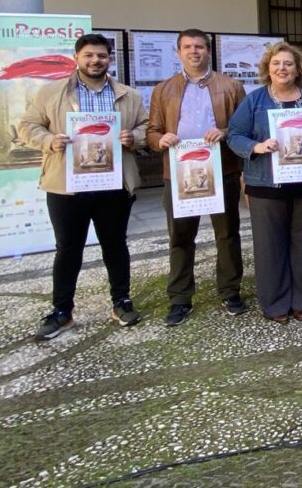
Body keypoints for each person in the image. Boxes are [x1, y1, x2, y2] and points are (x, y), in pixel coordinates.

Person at [19, 33, 148, 340]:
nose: (95, 61)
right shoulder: (52, 93)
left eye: (101, 56)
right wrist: (48, 141)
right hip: (68, 186)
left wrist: (134, 137)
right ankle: (62, 311)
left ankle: (121, 302)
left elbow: (145, 126)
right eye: (89, 55)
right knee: (68, 248)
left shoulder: (128, 95)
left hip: (113, 184)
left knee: (115, 245)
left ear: (110, 59)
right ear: (77, 58)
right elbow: (27, 125)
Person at [148, 28, 247, 326]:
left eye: (200, 47)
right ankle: (180, 298)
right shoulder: (163, 89)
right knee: (180, 237)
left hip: (223, 170)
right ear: (178, 52)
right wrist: (160, 139)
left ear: (208, 51)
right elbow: (150, 132)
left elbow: (244, 127)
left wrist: (226, 131)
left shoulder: (230, 86)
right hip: (179, 174)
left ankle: (230, 292)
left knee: (227, 235)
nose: (194, 52)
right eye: (188, 47)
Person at [227, 42, 302, 323]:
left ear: (298, 70)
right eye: (276, 64)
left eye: (288, 64)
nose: (282, 68)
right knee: (269, 246)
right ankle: (275, 303)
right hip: (265, 187)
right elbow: (234, 134)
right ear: (267, 69)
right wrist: (256, 147)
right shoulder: (255, 101)